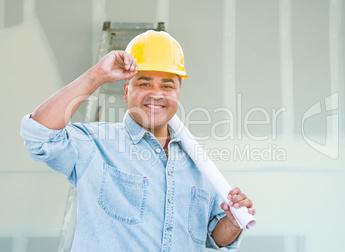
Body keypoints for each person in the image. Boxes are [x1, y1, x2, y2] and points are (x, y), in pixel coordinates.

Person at [21, 30, 256, 251]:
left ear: (177, 93)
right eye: (144, 83)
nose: (156, 93)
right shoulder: (95, 144)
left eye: (167, 86)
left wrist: (233, 223)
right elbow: (40, 135)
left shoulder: (198, 161)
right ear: (126, 91)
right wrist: (97, 75)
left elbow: (213, 234)